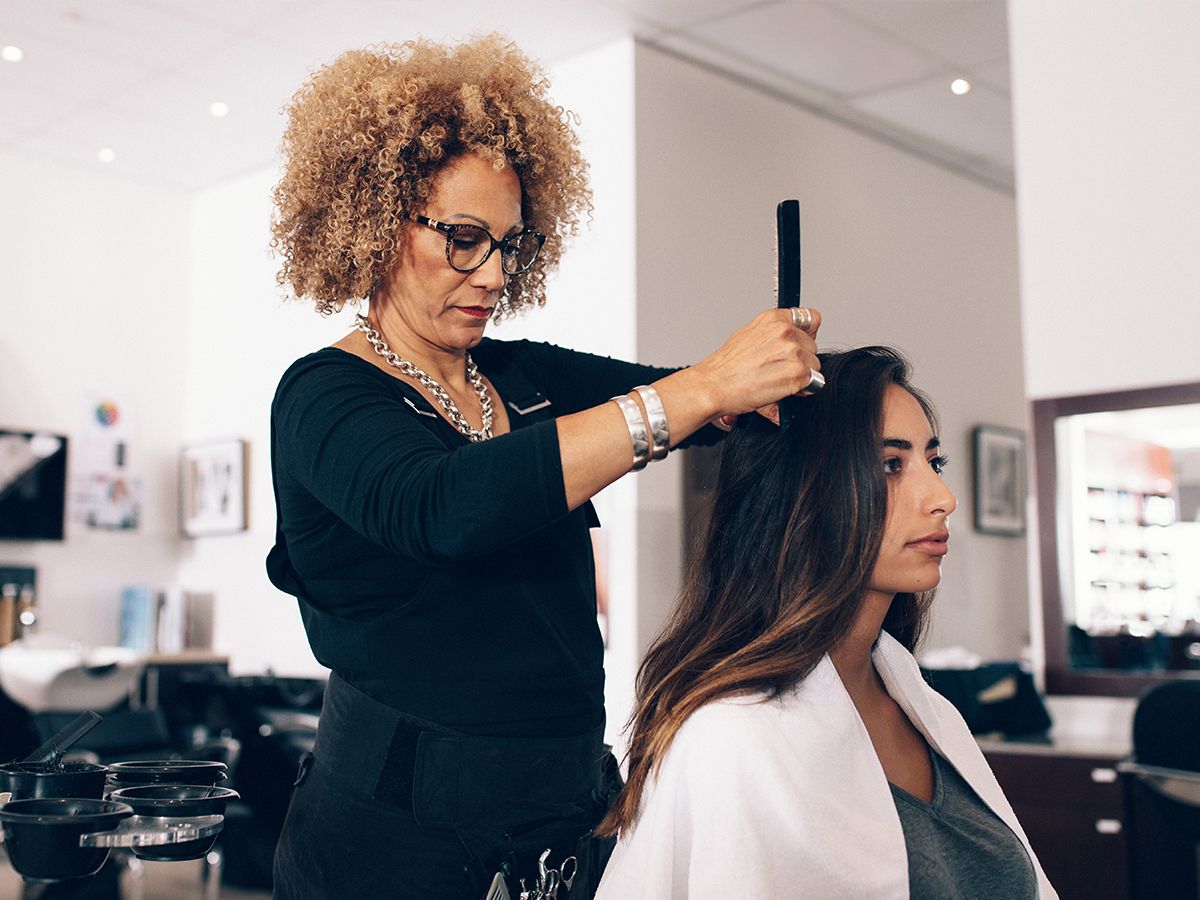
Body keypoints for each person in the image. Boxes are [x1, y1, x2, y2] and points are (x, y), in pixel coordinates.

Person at [265, 35, 823, 899]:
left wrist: (762, 385)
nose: (492, 274)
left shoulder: (521, 377)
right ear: (375, 224)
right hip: (390, 839)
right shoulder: (325, 398)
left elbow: (697, 404)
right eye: (462, 239)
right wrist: (706, 386)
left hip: (558, 818)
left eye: (509, 245)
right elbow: (444, 508)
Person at [594, 347, 1058, 899]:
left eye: (934, 463)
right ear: (803, 494)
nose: (943, 498)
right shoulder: (732, 738)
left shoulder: (932, 714)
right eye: (890, 465)